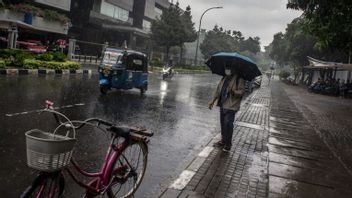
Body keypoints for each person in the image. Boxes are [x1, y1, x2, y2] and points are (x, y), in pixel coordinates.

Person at [208, 64, 245, 152]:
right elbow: (218, 90)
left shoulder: (239, 79)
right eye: (227, 68)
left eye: (230, 68)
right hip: (222, 104)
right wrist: (212, 101)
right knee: (223, 123)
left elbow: (242, 92)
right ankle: (223, 140)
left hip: (231, 105)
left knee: (228, 124)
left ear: (235, 69)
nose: (228, 70)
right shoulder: (224, 78)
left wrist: (232, 91)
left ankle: (228, 144)